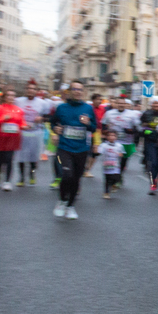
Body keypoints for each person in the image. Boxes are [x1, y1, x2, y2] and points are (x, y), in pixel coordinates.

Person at [49, 81, 97, 219]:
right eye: (75, 89)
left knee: (76, 179)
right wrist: (55, 129)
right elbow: (53, 122)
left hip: (81, 149)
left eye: (80, 89)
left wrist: (88, 123)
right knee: (67, 175)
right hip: (64, 147)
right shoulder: (62, 107)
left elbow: (94, 127)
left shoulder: (88, 108)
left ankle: (70, 206)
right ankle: (62, 201)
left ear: (83, 92)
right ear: (70, 91)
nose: (78, 91)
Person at [14, 87, 51, 186]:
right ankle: (21, 178)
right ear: (26, 90)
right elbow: (13, 112)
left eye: (33, 89)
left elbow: (48, 117)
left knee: (33, 156)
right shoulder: (18, 101)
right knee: (20, 156)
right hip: (22, 132)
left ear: (36, 91)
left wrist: (42, 118)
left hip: (36, 133)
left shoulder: (42, 103)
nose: (30, 90)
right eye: (28, 88)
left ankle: (32, 174)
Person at [0, 88, 24, 191]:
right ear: (5, 97)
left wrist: (25, 126)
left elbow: (22, 123)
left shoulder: (18, 110)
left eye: (13, 95)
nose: (11, 97)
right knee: (1, 159)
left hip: (12, 139)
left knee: (9, 159)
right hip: (0, 138)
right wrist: (3, 119)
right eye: (9, 95)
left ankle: (7, 181)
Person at [97, 126, 122, 199]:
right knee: (107, 179)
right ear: (107, 137)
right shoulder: (104, 145)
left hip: (115, 165)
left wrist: (120, 154)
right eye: (110, 135)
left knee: (117, 178)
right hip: (107, 165)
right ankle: (106, 192)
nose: (112, 137)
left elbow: (121, 153)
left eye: (114, 135)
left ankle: (113, 185)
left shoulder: (119, 146)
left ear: (116, 137)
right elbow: (99, 152)